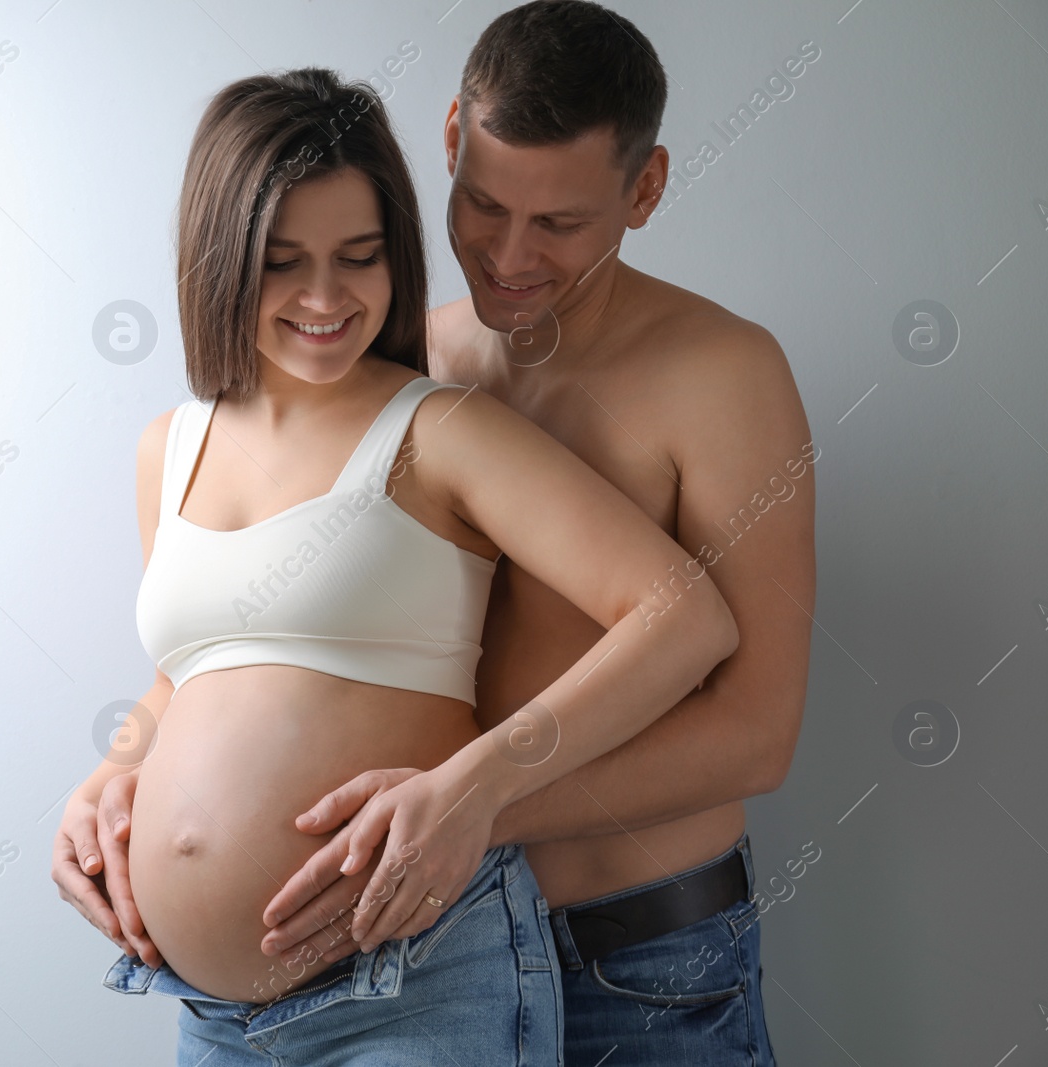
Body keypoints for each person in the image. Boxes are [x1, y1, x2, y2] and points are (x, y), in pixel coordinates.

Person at [55, 66, 740, 1066]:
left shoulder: (438, 428)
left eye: (359, 256)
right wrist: (111, 773)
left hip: (414, 981)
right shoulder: (169, 444)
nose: (326, 296)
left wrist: (479, 783)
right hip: (206, 1010)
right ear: (220, 257)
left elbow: (683, 617)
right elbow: (192, 670)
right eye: (282, 261)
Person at [254, 4, 816, 1063]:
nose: (509, 256)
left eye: (558, 224)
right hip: (427, 961)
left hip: (637, 962)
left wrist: (478, 800)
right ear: (453, 138)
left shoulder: (723, 378)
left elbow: (758, 733)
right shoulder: (398, 352)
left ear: (643, 190)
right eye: (482, 205)